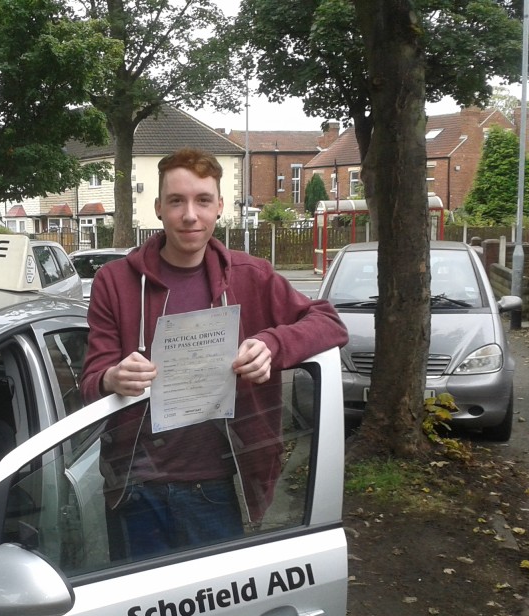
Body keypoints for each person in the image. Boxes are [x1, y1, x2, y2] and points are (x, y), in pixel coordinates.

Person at [80, 147, 348, 558]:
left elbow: (329, 322)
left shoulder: (251, 275)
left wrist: (272, 346)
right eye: (176, 201)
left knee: (217, 612)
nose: (190, 215)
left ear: (220, 206)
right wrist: (111, 377)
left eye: (203, 200)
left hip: (222, 484)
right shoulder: (114, 282)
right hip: (135, 487)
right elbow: (91, 378)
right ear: (158, 208)